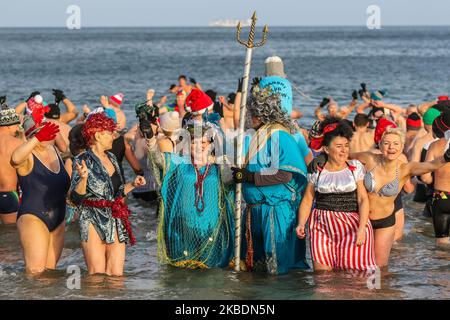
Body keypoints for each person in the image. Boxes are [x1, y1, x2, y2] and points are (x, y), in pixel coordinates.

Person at [349, 122, 450, 267]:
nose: (391, 147)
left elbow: (431, 165)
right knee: (357, 264)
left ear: (402, 147)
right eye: (387, 143)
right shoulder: (369, 159)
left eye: (396, 144)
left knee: (380, 267)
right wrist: (322, 159)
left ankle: (381, 289)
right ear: (380, 144)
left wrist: (446, 157)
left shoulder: (405, 168)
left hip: (385, 222)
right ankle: (360, 289)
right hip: (363, 220)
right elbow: (344, 156)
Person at [232, 85, 309, 275]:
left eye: (251, 113)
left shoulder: (281, 136)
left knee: (277, 267)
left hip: (276, 210)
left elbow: (285, 174)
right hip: (255, 210)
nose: (249, 117)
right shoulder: (257, 136)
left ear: (262, 113)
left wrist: (250, 177)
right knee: (255, 268)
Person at [69, 112, 146, 276]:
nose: (114, 136)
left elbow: (117, 193)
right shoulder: (82, 160)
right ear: (97, 135)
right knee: (96, 275)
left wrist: (132, 184)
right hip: (90, 218)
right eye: (110, 132)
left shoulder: (111, 157)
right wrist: (83, 179)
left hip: (115, 216)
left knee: (116, 274)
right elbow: (75, 200)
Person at [152, 121, 234, 269]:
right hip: (183, 225)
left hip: (211, 226)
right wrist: (150, 140)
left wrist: (216, 160)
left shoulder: (219, 165)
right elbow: (159, 160)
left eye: (203, 142)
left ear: (211, 145)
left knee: (211, 275)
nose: (199, 146)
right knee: (182, 274)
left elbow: (232, 175)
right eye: (194, 143)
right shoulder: (180, 162)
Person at [297, 117, 376, 271]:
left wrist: (361, 229)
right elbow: (307, 200)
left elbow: (362, 200)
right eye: (339, 146)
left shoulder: (355, 167)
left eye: (346, 145)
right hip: (321, 225)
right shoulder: (317, 170)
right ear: (326, 149)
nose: (344, 150)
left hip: (351, 225)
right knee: (322, 277)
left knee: (353, 276)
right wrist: (301, 223)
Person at [11, 114, 69, 274]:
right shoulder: (27, 156)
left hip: (59, 217)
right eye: (42, 132)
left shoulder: (55, 151)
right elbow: (14, 159)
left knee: (50, 274)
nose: (49, 135)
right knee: (36, 272)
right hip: (33, 217)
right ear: (32, 135)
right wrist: (37, 139)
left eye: (49, 132)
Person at [421, 110, 450, 246]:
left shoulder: (434, 146)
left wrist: (436, 178)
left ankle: (441, 267)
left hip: (441, 197)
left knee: (441, 243)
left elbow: (425, 178)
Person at [0, 97, 23, 225]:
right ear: (9, 125)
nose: (18, 128)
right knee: (10, 235)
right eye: (16, 125)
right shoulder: (17, 143)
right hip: (8, 195)